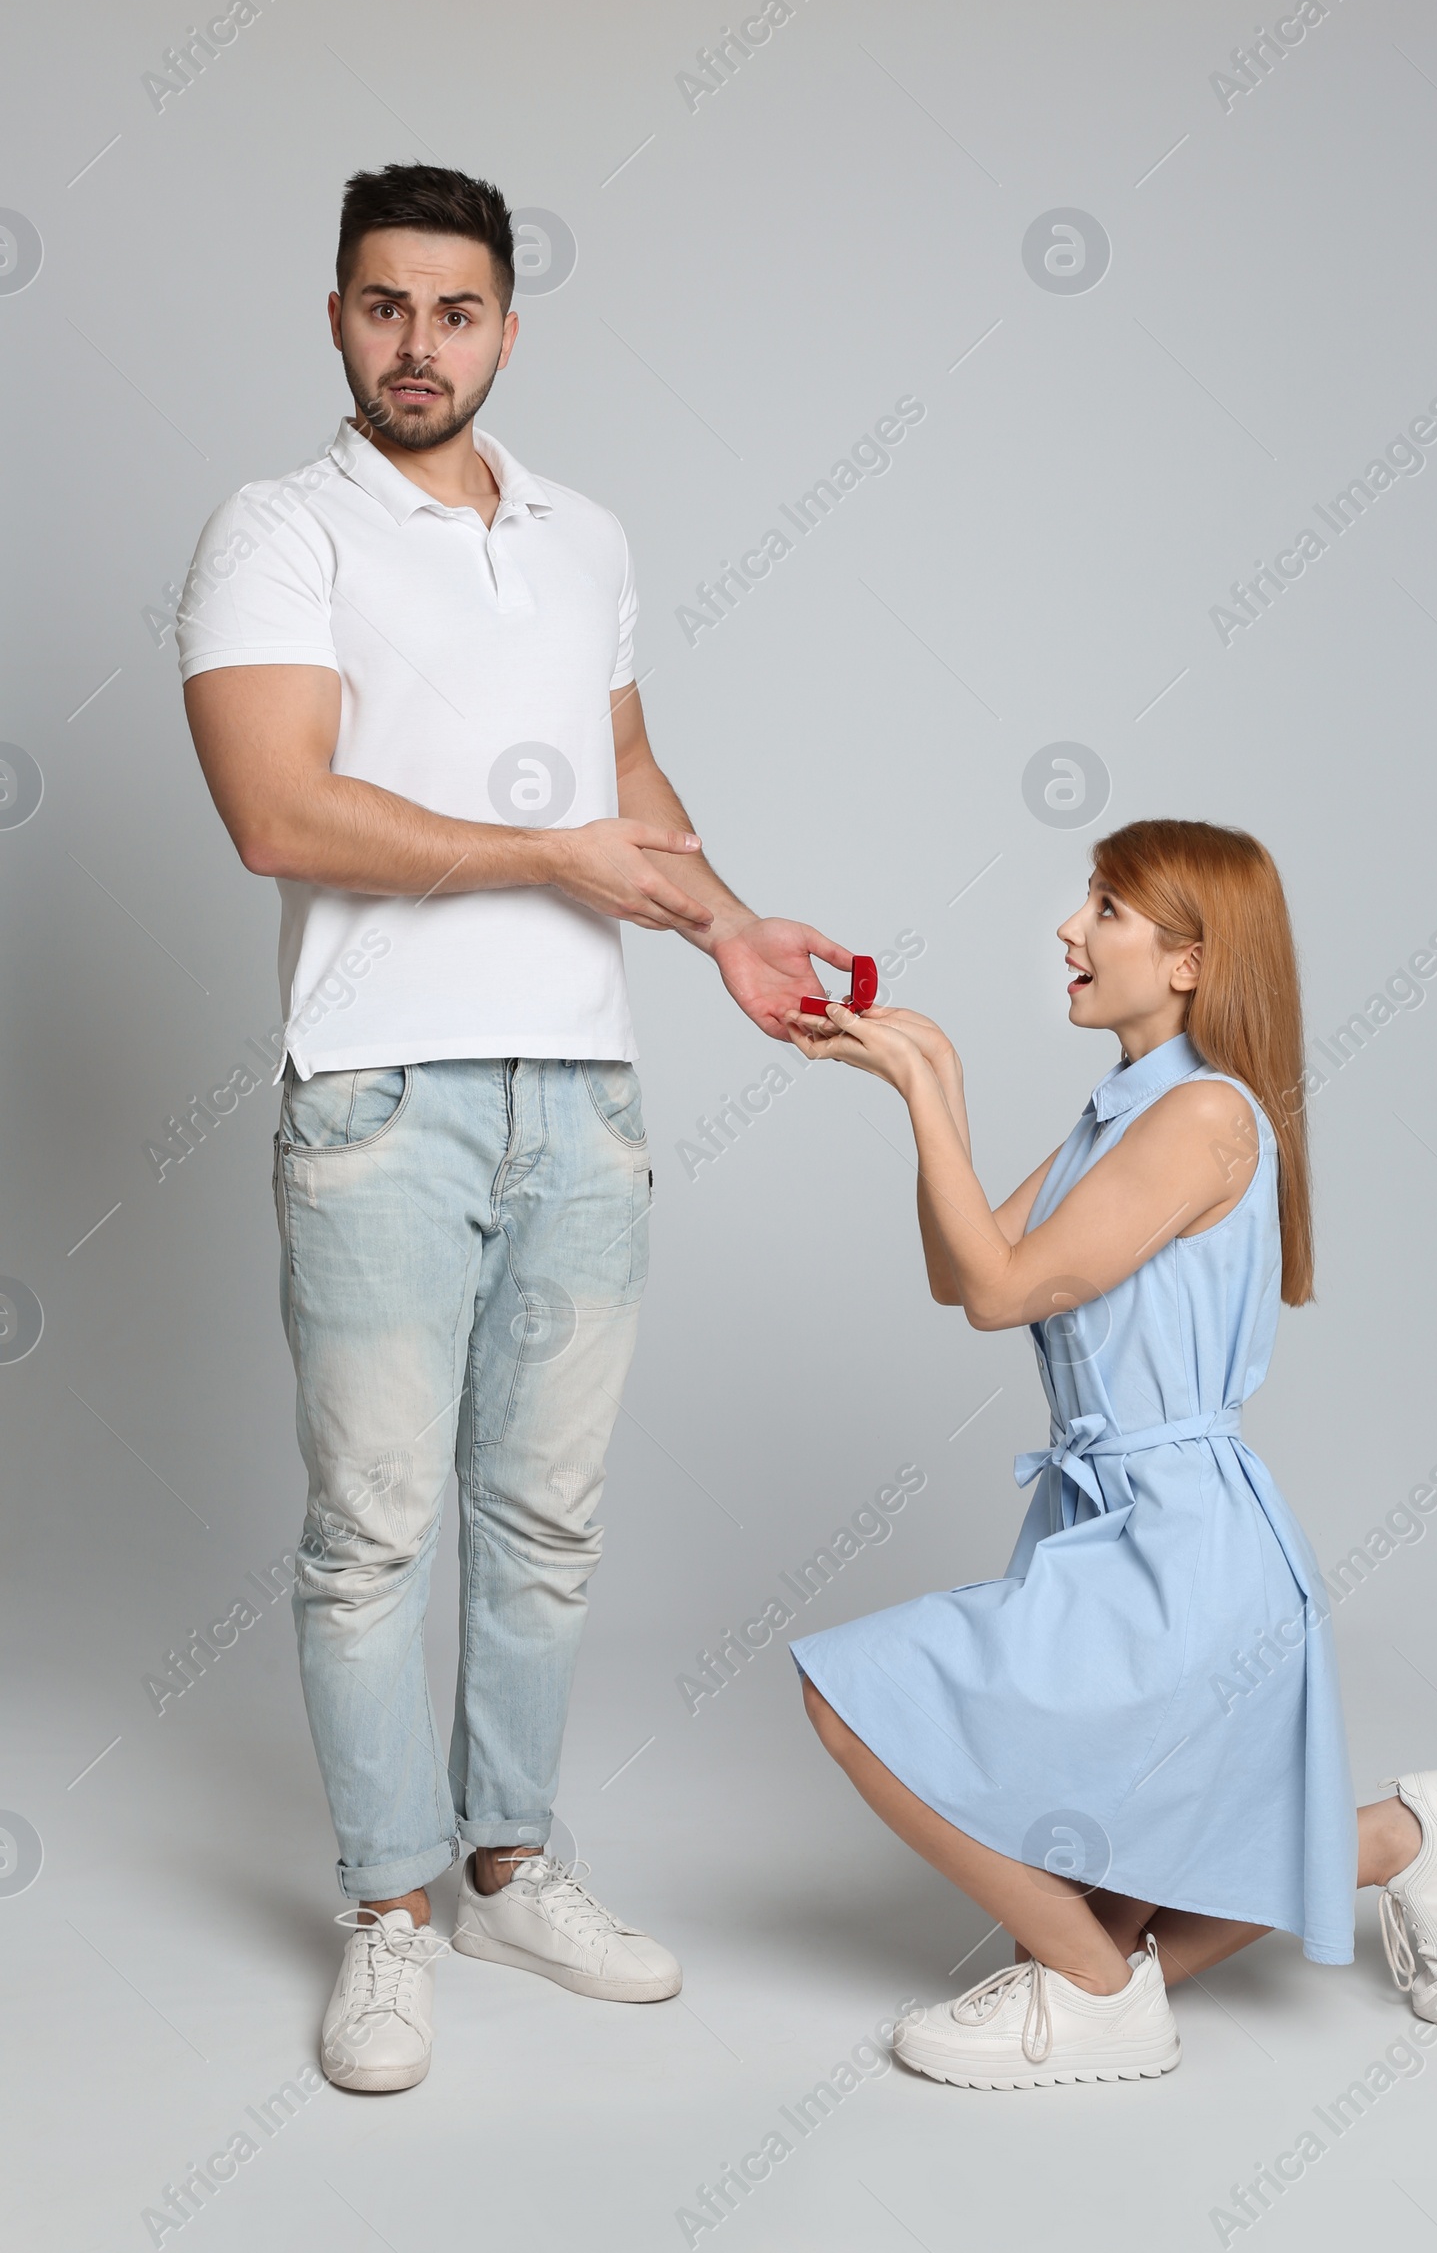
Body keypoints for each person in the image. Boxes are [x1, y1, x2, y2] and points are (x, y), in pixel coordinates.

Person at [179, 161, 850, 2093]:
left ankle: (510, 1867)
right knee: (375, 1531)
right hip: (381, 1094)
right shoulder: (278, 530)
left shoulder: (582, 536)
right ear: (335, 319)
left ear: (505, 328)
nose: (418, 344)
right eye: (383, 307)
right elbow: (279, 815)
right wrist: (548, 854)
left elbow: (625, 768)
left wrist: (726, 922)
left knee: (543, 1523)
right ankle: (385, 1915)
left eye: (454, 311)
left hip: (585, 1085)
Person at [784, 819, 1437, 2088]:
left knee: (863, 1712)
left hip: (1177, 1544)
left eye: (1105, 910)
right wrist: (936, 1085)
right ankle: (1401, 1834)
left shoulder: (1201, 1120)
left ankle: (1103, 1993)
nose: (1070, 929)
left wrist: (922, 1092)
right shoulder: (1113, 1120)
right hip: (1111, 1524)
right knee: (1113, 1869)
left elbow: (1005, 1292)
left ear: (1188, 960)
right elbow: (961, 1279)